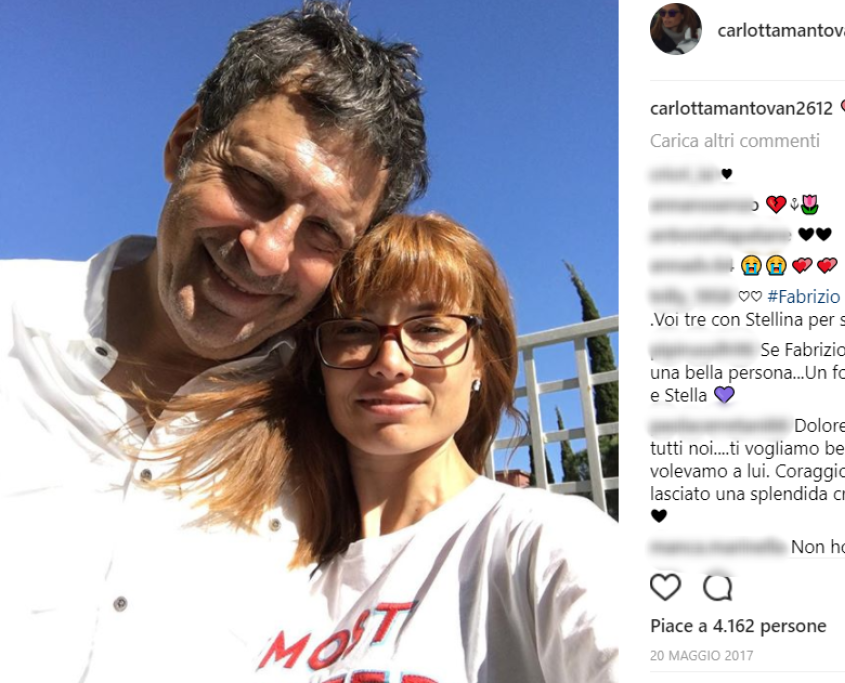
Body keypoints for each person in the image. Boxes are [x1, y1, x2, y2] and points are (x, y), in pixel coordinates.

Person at [0, 3, 428, 681]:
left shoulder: (335, 437)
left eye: (324, 232)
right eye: (254, 183)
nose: (268, 251)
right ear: (184, 145)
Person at [158, 214, 621, 681]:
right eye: (354, 330)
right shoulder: (261, 564)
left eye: (430, 329)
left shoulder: (545, 541)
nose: (389, 362)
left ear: (480, 359)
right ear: (320, 365)